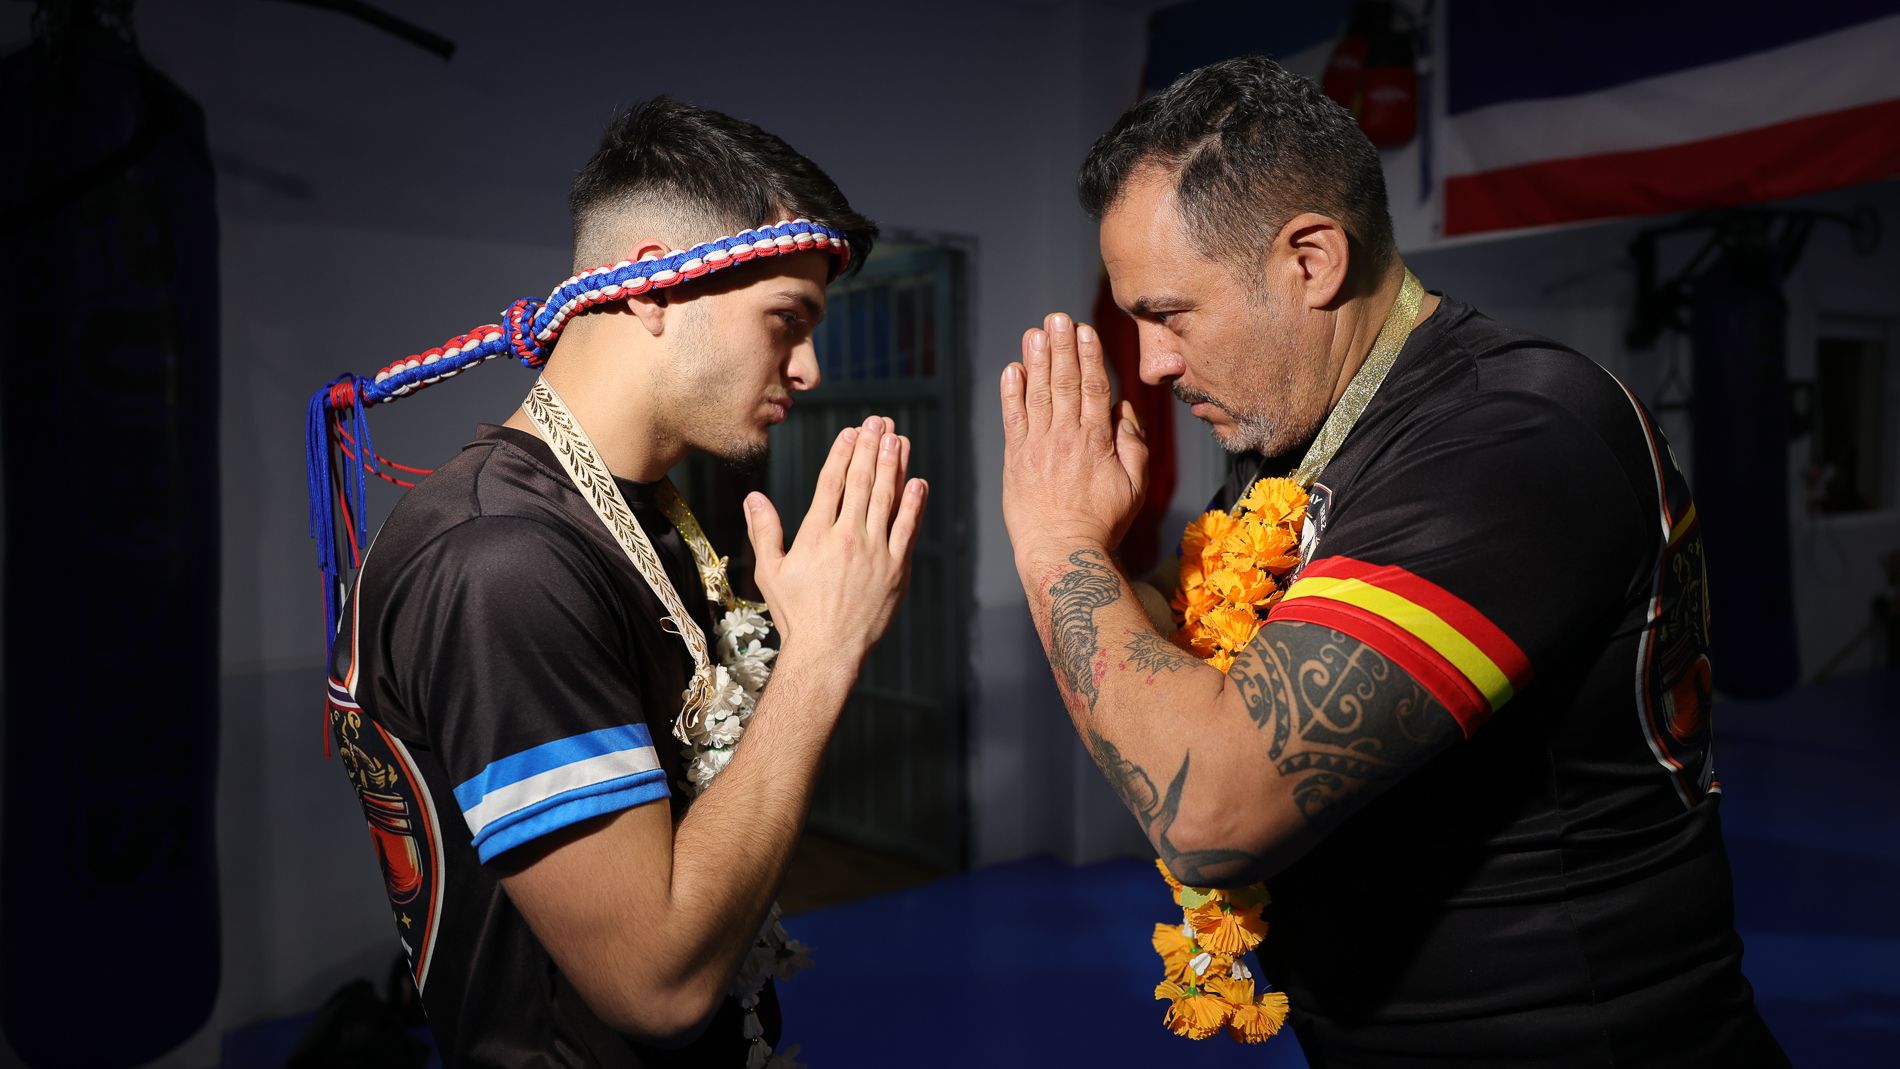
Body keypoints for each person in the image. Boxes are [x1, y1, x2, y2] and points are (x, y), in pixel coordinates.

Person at [998, 56, 1786, 1066]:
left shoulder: (1509, 433)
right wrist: (1096, 553)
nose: (1149, 363)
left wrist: (1056, 543)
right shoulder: (1289, 446)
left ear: (1313, 260)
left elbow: (1210, 811)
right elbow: (1162, 652)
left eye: (1168, 314)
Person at [314, 98, 928, 1067]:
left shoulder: (641, 514)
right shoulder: (502, 562)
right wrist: (822, 655)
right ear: (647, 284)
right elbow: (656, 981)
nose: (808, 369)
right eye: (786, 320)